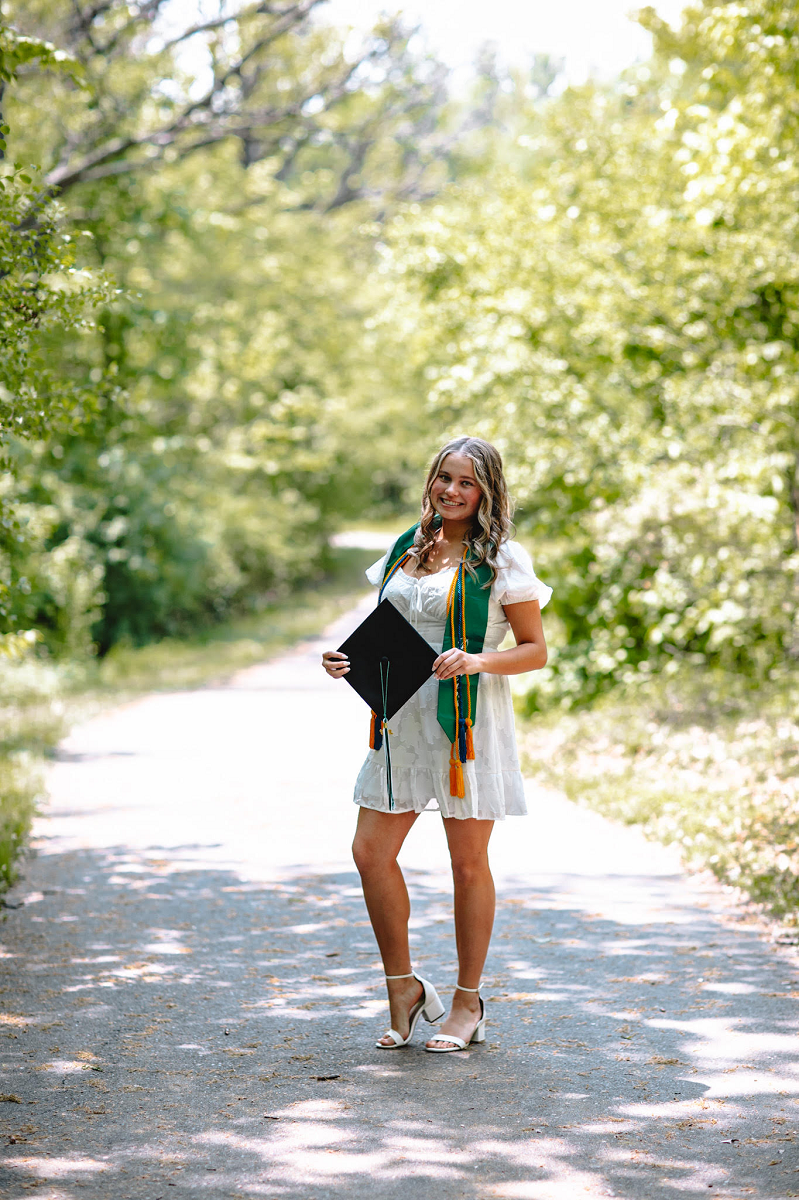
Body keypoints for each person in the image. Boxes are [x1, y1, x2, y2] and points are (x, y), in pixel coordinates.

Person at [322, 436, 551, 1052]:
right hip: (400, 722)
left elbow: (535, 650)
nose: (451, 492)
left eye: (466, 483)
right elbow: (386, 628)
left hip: (464, 723)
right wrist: (345, 661)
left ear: (488, 492)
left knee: (467, 864)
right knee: (370, 852)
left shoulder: (501, 559)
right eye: (443, 479)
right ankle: (403, 987)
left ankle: (467, 1003)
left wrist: (476, 660)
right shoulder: (406, 548)